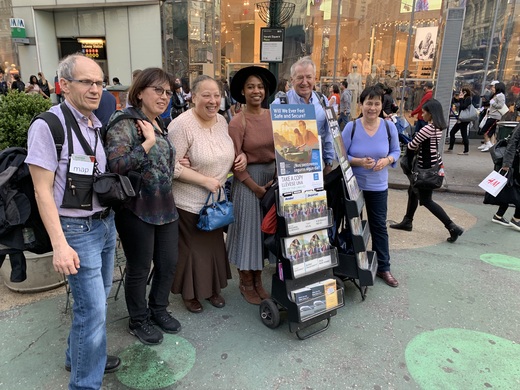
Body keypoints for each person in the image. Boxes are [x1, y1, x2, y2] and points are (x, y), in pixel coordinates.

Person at [25, 54, 120, 389]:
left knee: (96, 303)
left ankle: (79, 354)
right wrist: (60, 245)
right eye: (87, 82)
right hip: (76, 231)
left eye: (100, 82)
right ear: (64, 85)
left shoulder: (93, 123)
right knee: (92, 311)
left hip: (104, 225)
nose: (96, 89)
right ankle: (84, 383)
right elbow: (42, 191)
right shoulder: (48, 126)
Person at [105, 67, 181, 345]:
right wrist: (148, 143)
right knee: (138, 267)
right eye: (157, 90)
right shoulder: (124, 121)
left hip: (165, 205)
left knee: (168, 263)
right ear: (139, 93)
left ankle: (158, 309)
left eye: (168, 92)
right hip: (136, 208)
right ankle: (138, 320)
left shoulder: (159, 121)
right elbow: (117, 165)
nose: (164, 96)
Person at [168, 75, 239, 313]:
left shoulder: (221, 121)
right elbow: (172, 167)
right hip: (188, 201)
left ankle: (211, 290)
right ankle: (190, 294)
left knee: (213, 248)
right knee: (191, 251)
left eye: (217, 95)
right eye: (206, 95)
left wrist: (241, 159)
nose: (213, 100)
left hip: (215, 201)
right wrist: (204, 180)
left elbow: (225, 153)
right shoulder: (181, 125)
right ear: (193, 97)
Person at [226, 66, 277, 305]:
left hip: (272, 178)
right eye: (250, 87)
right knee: (248, 232)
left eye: (259, 86)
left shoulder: (273, 115)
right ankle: (246, 280)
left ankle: (258, 279)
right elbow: (235, 161)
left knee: (263, 231)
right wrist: (255, 188)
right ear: (243, 92)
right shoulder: (238, 122)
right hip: (248, 182)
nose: (256, 91)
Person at [341, 86, 401, 287]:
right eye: (369, 103)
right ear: (361, 104)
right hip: (354, 186)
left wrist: (387, 160)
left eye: (376, 104)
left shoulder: (388, 127)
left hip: (378, 186)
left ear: (381, 105)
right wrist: (358, 162)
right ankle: (352, 264)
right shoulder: (352, 127)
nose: (372, 108)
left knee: (378, 226)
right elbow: (342, 155)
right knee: (353, 226)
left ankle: (384, 267)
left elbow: (396, 150)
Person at [390, 99, 465, 243]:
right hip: (431, 166)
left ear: (431, 113)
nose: (422, 114)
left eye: (424, 112)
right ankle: (407, 221)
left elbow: (412, 145)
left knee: (426, 200)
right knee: (412, 191)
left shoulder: (428, 128)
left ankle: (451, 226)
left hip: (425, 169)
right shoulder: (437, 127)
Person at [271, 56, 335, 175]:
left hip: (316, 167)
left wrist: (329, 162)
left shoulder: (323, 101)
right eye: (300, 77)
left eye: (309, 77)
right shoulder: (280, 104)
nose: (304, 82)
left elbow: (328, 134)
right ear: (292, 80)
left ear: (314, 79)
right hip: (289, 170)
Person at [490, 124, 520, 231]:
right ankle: (516, 218)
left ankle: (499, 215)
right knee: (515, 189)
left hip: (514, 162)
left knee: (509, 188)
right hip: (515, 163)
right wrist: (507, 164)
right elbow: (512, 143)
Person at [479, 81, 506, 152]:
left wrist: (493, 103)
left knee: (486, 131)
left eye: (494, 87)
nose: (492, 88)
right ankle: (488, 144)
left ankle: (490, 146)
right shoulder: (496, 95)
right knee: (487, 132)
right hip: (490, 115)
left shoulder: (501, 96)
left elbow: (500, 106)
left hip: (495, 116)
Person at [446, 86, 473, 155]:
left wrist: (461, 99)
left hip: (464, 120)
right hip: (460, 119)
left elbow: (463, 106)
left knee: (463, 134)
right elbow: (458, 103)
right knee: (452, 132)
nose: (460, 93)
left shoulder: (468, 99)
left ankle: (466, 150)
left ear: (465, 92)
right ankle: (450, 148)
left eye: (461, 92)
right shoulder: (464, 98)